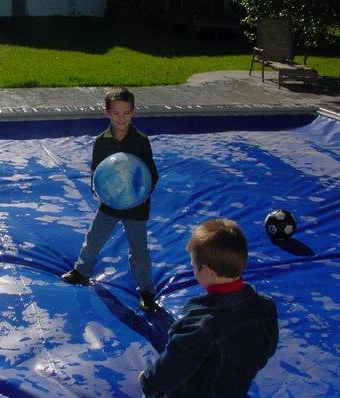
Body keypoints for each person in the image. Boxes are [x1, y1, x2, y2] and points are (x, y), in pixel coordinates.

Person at [140, 218, 279, 397]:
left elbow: (172, 369)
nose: (193, 271)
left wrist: (148, 382)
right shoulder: (265, 307)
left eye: (194, 267)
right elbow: (267, 350)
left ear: (207, 271)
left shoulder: (200, 326)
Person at [61, 86, 160, 312]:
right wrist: (99, 192)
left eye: (126, 112)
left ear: (133, 112)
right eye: (116, 113)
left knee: (139, 249)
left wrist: (142, 195)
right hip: (109, 203)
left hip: (136, 206)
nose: (121, 118)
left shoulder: (141, 141)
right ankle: (81, 271)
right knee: (94, 237)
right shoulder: (102, 141)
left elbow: (151, 173)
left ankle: (146, 290)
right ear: (106, 113)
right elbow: (97, 170)